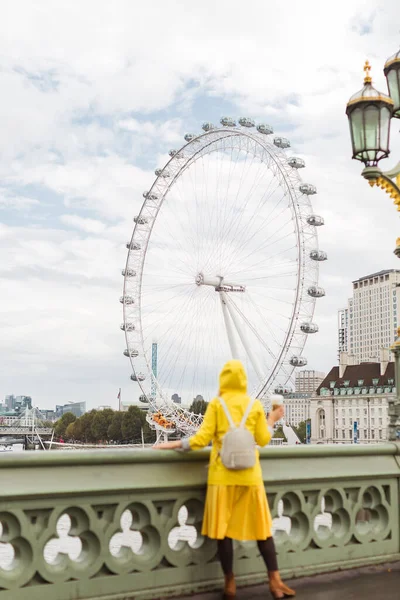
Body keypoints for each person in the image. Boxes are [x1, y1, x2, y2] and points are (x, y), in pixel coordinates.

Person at [155, 360, 295, 599]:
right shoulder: (253, 406)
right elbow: (262, 440)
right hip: (250, 477)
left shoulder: (217, 406)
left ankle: (230, 582)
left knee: (223, 533)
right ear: (243, 381)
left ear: (223, 380)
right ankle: (275, 581)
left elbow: (200, 440)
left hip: (222, 478)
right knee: (263, 531)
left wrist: (172, 444)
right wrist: (272, 419)